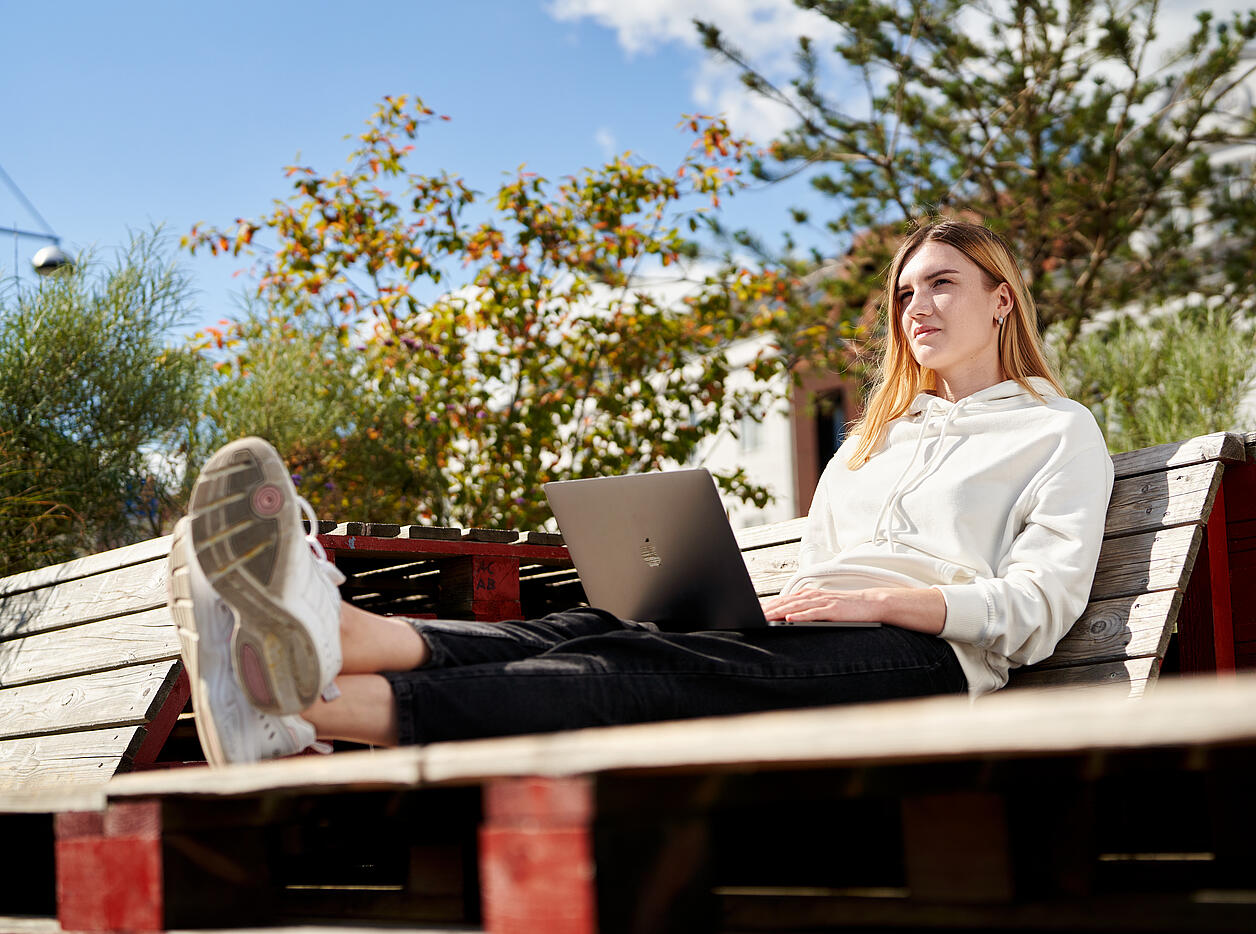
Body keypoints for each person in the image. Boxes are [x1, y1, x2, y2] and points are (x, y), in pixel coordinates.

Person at [166, 218, 1114, 766]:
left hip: (929, 666)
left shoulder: (1054, 431)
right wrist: (767, 605)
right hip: (817, 640)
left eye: (942, 285)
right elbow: (824, 573)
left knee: (648, 674)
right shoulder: (869, 440)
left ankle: (302, 712)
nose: (918, 310)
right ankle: (343, 639)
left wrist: (893, 601)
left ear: (1001, 299)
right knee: (600, 624)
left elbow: (1041, 604)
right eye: (906, 294)